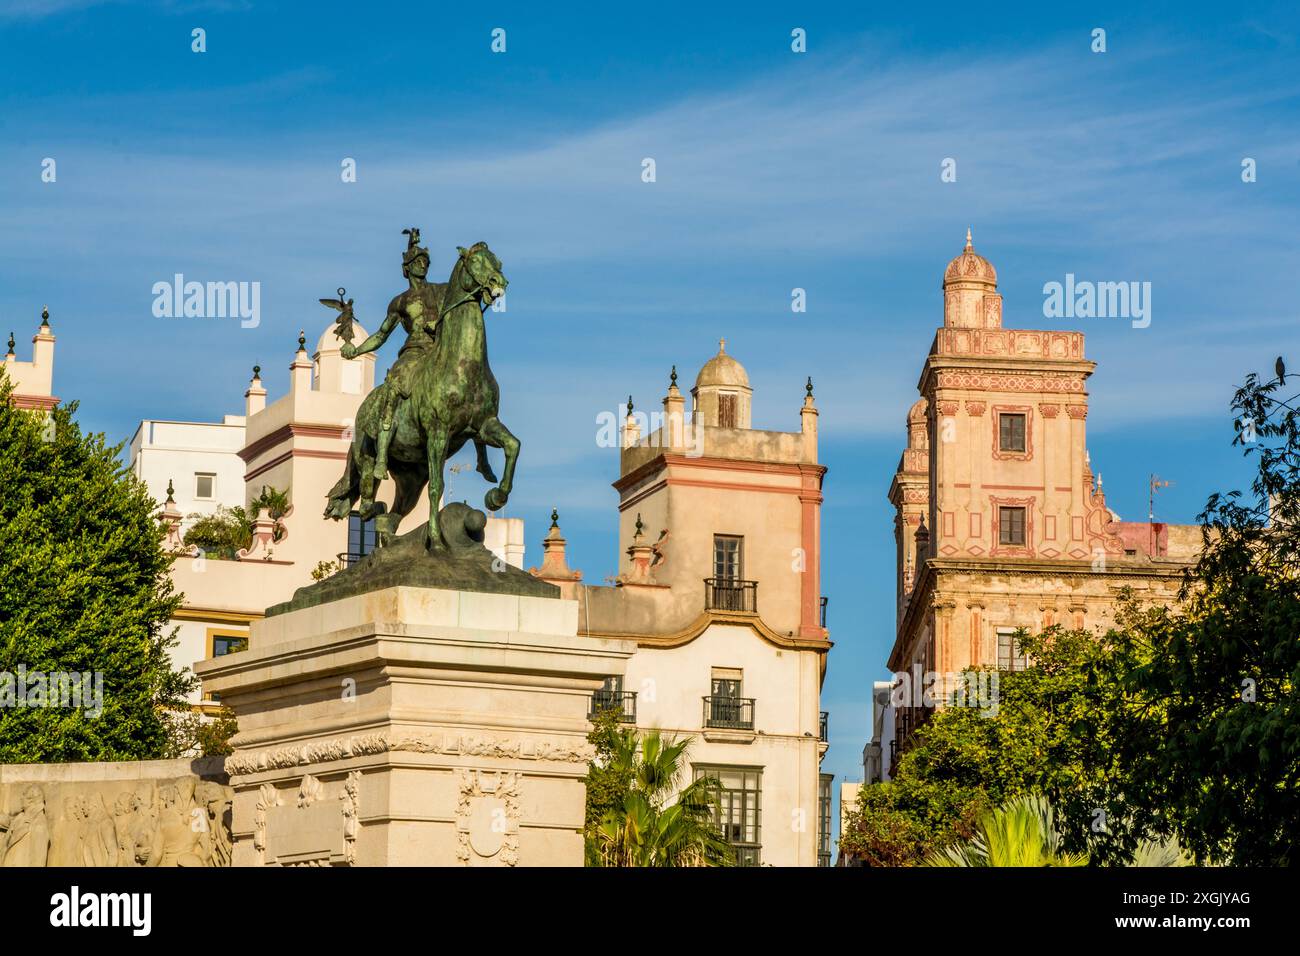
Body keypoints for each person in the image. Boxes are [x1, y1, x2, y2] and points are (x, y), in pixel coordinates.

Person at [341, 227, 447, 480]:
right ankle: (381, 457)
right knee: (393, 387)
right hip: (413, 353)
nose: (423, 265)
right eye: (417, 262)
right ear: (406, 268)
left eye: (425, 262)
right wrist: (356, 350)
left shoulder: (441, 291)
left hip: (440, 349)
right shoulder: (399, 302)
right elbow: (381, 335)